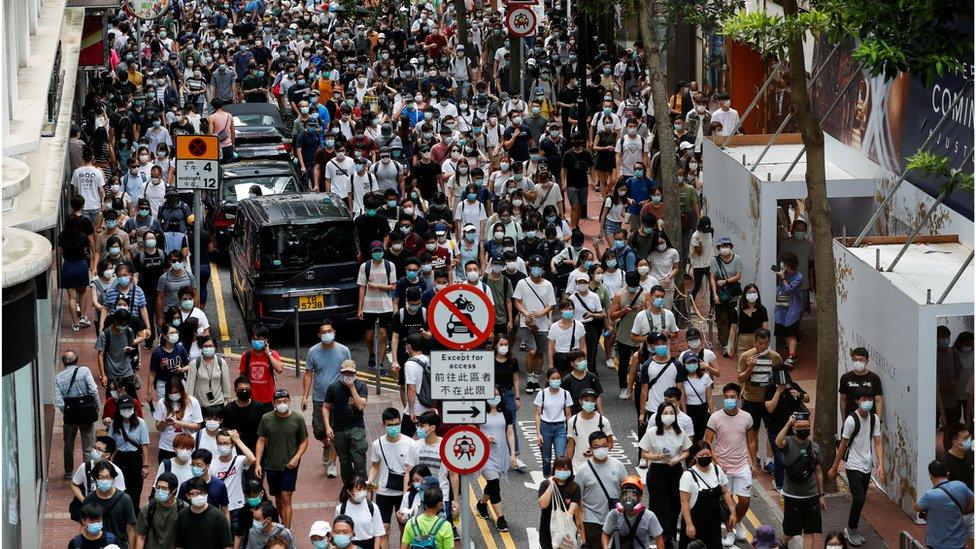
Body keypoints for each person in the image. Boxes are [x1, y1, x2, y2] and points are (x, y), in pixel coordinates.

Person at [828, 389, 885, 546]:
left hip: (867, 465)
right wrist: (834, 467)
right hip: (853, 465)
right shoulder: (851, 421)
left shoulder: (874, 419)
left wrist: (880, 464)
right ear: (857, 401)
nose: (868, 402)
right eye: (864, 399)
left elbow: (878, 442)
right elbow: (843, 445)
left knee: (861, 499)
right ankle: (851, 529)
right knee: (859, 498)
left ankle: (852, 527)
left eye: (870, 398)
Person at [704, 383, 757, 546]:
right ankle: (729, 532)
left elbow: (751, 441)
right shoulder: (715, 418)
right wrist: (717, 463)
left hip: (742, 466)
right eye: (726, 397)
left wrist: (754, 463)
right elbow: (707, 443)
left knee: (744, 500)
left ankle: (736, 522)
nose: (729, 400)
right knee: (726, 502)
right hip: (723, 469)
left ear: (739, 398)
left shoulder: (747, 417)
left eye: (732, 397)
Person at [303, 320, 352, 477]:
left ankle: (332, 463)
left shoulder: (344, 351)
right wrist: (304, 396)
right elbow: (309, 373)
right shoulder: (313, 351)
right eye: (323, 332)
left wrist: (351, 395)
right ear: (319, 335)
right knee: (319, 431)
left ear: (334, 332)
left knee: (336, 432)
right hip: (319, 399)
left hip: (339, 399)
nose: (326, 334)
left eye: (329, 331)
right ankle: (326, 446)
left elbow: (349, 373)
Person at [639, 402, 692, 546]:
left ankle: (671, 532)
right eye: (665, 413)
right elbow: (643, 452)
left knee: (675, 504)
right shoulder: (652, 432)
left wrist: (677, 459)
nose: (668, 416)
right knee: (660, 505)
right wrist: (657, 457)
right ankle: (662, 536)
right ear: (659, 415)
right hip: (657, 470)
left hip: (675, 470)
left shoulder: (680, 431)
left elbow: (687, 451)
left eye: (671, 413)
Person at [255, 389, 308, 528]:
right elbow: (261, 441)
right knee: (278, 497)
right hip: (272, 465)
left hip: (290, 466)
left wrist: (296, 458)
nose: (282, 404)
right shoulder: (266, 418)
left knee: (286, 497)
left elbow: (304, 441)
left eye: (285, 401)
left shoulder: (298, 419)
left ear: (289, 401)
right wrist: (257, 463)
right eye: (278, 402)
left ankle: (286, 529)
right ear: (273, 403)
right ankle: (283, 523)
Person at [776, 413, 825, 549]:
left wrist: (821, 495)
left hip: (811, 496)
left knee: (809, 532)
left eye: (806, 426)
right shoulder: (788, 442)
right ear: (794, 428)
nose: (804, 429)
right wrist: (787, 424)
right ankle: (783, 542)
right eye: (800, 427)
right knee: (790, 531)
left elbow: (819, 472)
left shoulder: (814, 447)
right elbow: (778, 442)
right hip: (792, 495)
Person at [678, 440, 738, 549]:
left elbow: (725, 492)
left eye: (708, 454)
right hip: (695, 523)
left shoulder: (717, 470)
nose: (705, 457)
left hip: (713, 523)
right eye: (702, 455)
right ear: (695, 456)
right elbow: (684, 502)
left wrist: (733, 513)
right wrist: (689, 524)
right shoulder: (688, 476)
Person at [575, 430, 628, 548]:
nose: (601, 449)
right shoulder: (583, 470)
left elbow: (627, 491)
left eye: (604, 445)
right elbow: (577, 498)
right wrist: (578, 519)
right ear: (591, 448)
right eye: (597, 447)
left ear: (609, 445)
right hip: (592, 520)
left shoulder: (618, 466)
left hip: (615, 517)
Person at [513, 256, 558, 393]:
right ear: (529, 267)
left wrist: (540, 313)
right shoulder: (522, 283)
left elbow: (551, 304)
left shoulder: (548, 285)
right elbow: (517, 302)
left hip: (542, 323)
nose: (536, 268)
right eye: (533, 266)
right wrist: (526, 314)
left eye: (539, 266)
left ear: (542, 269)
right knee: (531, 351)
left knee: (540, 353)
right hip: (526, 323)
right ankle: (528, 379)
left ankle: (535, 380)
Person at [367, 408, 412, 539]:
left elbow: (412, 470)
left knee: (404, 529)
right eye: (390, 425)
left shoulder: (410, 443)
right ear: (383, 424)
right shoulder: (377, 444)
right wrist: (370, 480)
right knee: (383, 530)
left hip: (404, 493)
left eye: (396, 424)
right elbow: (375, 466)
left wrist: (406, 494)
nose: (394, 428)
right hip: (384, 492)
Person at [56, 350, 101, 479]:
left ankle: (69, 473)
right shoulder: (84, 371)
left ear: (63, 363)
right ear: (77, 360)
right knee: (88, 446)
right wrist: (96, 406)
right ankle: (87, 473)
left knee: (68, 446)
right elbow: (93, 390)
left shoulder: (59, 378)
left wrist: (67, 412)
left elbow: (59, 401)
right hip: (87, 413)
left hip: (70, 417)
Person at [476, 388, 516, 532]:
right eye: (492, 395)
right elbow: (472, 429)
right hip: (485, 455)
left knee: (493, 483)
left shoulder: (506, 412)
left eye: (497, 395)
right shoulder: (478, 411)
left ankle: (481, 504)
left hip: (501, 453)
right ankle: (500, 518)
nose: (495, 397)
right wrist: (483, 436)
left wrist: (512, 454)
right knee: (494, 484)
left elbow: (510, 433)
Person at [324, 360, 370, 484]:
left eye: (351, 373)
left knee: (359, 458)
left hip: (356, 427)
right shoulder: (333, 387)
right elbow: (326, 407)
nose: (348, 376)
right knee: (344, 461)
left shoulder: (361, 386)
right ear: (341, 373)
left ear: (355, 373)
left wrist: (352, 388)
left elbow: (361, 406)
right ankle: (349, 487)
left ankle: (361, 486)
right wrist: (328, 426)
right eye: (345, 373)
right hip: (339, 429)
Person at [764, 374, 811, 490]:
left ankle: (793, 479)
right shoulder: (770, 389)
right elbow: (770, 408)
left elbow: (807, 398)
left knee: (793, 457)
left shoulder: (793, 386)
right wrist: (778, 392)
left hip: (792, 430)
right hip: (775, 429)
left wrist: (799, 394)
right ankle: (779, 484)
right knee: (780, 458)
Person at [914, 460, 974, 549]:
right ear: (947, 473)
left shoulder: (929, 495)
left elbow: (917, 507)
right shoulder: (960, 485)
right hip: (959, 543)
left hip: (937, 544)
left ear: (930, 476)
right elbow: (973, 502)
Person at [609, 271, 651, 399]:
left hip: (641, 336)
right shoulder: (619, 295)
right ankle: (623, 387)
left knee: (642, 362)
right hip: (624, 335)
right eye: (631, 285)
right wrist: (623, 311)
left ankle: (642, 386)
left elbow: (651, 311)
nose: (633, 288)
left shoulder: (645, 294)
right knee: (623, 363)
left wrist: (644, 309)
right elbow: (612, 315)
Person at [358, 241, 397, 373]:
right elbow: (362, 287)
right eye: (375, 251)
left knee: (383, 334)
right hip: (369, 306)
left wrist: (377, 286)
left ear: (383, 251)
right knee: (369, 336)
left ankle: (380, 364)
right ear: (371, 252)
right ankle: (371, 355)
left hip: (385, 306)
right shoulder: (365, 266)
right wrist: (360, 308)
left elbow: (393, 286)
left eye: (379, 251)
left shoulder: (389, 265)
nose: (377, 254)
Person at [736, 328, 782, 440]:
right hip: (751, 400)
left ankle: (770, 457)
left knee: (771, 431)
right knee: (752, 431)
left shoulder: (775, 357)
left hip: (768, 401)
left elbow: (780, 378)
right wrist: (750, 368)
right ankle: (754, 456)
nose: (763, 346)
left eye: (766, 343)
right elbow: (740, 379)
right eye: (760, 343)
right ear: (754, 342)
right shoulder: (746, 356)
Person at [82, 461, 137, 549]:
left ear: (113, 479)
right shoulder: (89, 499)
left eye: (108, 477)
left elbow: (130, 528)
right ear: (95, 479)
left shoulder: (125, 499)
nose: (105, 481)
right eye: (101, 478)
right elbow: (84, 525)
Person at [106, 395, 150, 507]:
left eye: (129, 408)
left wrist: (145, 466)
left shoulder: (141, 423)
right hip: (120, 458)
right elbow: (111, 445)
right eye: (124, 408)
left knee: (135, 490)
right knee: (119, 489)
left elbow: (144, 445)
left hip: (135, 458)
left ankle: (133, 516)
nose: (127, 411)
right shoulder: (114, 424)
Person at [601, 476, 666, 549]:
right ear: (621, 496)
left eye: (633, 495)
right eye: (625, 494)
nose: (628, 498)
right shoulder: (614, 515)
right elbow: (605, 534)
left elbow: (659, 539)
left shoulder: (649, 516)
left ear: (640, 497)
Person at [493, 335, 527, 470]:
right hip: (493, 397)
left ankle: (515, 455)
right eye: (501, 344)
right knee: (495, 425)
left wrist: (517, 397)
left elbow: (516, 379)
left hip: (509, 394)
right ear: (495, 345)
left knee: (511, 425)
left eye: (506, 344)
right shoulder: (489, 360)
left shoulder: (513, 361)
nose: (503, 347)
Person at [174, 476, 234, 549]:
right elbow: (179, 545)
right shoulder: (183, 515)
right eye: (194, 493)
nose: (199, 496)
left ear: (207, 494)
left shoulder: (218, 516)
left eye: (202, 493)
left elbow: (227, 545)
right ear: (188, 496)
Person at [537, 457, 584, 549]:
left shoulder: (575, 487)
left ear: (570, 470)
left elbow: (572, 509)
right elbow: (543, 504)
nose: (562, 471)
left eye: (566, 469)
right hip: (548, 529)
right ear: (554, 469)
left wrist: (564, 523)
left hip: (567, 528)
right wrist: (551, 485)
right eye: (559, 469)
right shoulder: (545, 484)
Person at [534, 368, 573, 477]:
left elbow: (568, 414)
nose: (556, 380)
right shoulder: (542, 394)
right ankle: (547, 479)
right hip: (545, 427)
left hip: (560, 428)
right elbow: (537, 414)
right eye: (553, 378)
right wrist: (538, 433)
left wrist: (569, 432)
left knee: (560, 457)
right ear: (548, 379)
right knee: (546, 459)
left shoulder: (565, 394)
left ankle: (558, 479)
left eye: (558, 378)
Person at [153, 379, 202, 462]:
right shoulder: (162, 403)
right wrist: (163, 423)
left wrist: (182, 424)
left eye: (175, 392)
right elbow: (158, 427)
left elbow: (198, 426)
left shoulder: (193, 402)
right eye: (170, 393)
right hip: (167, 447)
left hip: (186, 448)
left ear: (181, 390)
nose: (173, 395)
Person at [135, 472, 186, 549]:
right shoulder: (149, 508)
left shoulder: (183, 509)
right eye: (158, 487)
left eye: (164, 488)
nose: (159, 491)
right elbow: (141, 536)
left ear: (174, 490)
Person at [239, 325, 285, 411]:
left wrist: (268, 354)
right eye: (254, 339)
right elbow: (242, 377)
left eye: (259, 339)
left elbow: (279, 369)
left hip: (268, 399)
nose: (256, 342)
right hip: (251, 399)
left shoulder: (272, 354)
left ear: (266, 340)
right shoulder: (246, 356)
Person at [566, 388, 615, 468]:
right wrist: (567, 464)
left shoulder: (603, 421)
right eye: (586, 400)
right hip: (578, 466)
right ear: (580, 401)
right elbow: (570, 445)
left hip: (598, 465)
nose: (589, 403)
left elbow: (611, 443)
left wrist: (596, 451)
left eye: (592, 401)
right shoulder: (572, 421)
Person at [709, 237, 742, 352]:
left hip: (733, 293)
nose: (725, 248)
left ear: (731, 247)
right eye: (722, 246)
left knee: (733, 317)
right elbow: (712, 278)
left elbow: (738, 276)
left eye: (727, 246)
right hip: (720, 293)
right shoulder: (714, 260)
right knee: (722, 319)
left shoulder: (737, 259)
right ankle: (724, 343)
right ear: (719, 248)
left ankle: (731, 341)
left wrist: (726, 281)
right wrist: (714, 294)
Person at [334, 477, 384, 548]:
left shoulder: (372, 507)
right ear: (349, 492)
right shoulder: (340, 509)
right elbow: (337, 532)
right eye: (359, 489)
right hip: (350, 546)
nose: (363, 492)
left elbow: (378, 535)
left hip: (369, 544)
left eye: (364, 489)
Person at [773, 252, 804, 368]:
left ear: (789, 264)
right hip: (781, 309)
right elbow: (779, 288)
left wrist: (783, 277)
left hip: (792, 310)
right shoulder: (783, 273)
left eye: (784, 263)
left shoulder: (798, 277)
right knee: (785, 333)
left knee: (791, 334)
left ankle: (792, 357)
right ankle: (792, 354)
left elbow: (788, 289)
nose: (782, 264)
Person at [222, 377, 266, 456]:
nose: (244, 392)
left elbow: (263, 430)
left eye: (247, 389)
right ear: (235, 391)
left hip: (255, 449)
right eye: (241, 389)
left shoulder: (258, 407)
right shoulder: (228, 409)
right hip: (235, 450)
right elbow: (225, 430)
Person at [186, 337, 232, 407]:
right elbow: (190, 385)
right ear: (202, 347)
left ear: (215, 347)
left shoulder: (221, 362)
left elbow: (226, 383)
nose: (208, 348)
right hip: (201, 404)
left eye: (210, 346)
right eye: (205, 346)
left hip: (218, 402)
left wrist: (227, 397)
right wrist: (189, 401)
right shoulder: (195, 364)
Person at [401, 334, 432, 438]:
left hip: (416, 408)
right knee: (424, 438)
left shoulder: (410, 364)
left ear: (409, 346)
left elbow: (411, 390)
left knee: (405, 439)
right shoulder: (428, 360)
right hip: (428, 406)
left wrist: (411, 410)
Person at [727, 283, 768, 358]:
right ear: (744, 294)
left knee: (756, 367)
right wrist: (731, 347)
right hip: (742, 343)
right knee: (742, 367)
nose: (752, 294)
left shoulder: (762, 310)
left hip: (757, 342)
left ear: (758, 294)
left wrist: (765, 345)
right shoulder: (738, 311)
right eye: (749, 292)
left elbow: (765, 329)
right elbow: (733, 330)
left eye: (754, 292)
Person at [547, 299, 587, 376]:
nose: (568, 311)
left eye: (570, 309)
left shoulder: (580, 326)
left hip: (575, 359)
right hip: (559, 360)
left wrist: (584, 362)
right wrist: (551, 365)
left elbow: (583, 346)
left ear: (574, 310)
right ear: (560, 310)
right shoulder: (554, 327)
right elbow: (550, 348)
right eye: (565, 309)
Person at [942, 424, 974, 490]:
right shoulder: (946, 462)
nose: (969, 440)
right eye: (965, 438)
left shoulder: (971, 455)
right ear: (955, 442)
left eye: (969, 436)